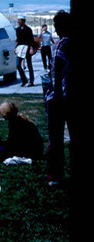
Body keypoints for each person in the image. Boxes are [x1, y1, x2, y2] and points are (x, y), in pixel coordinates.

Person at [44, 10, 77, 187]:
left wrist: (55, 95)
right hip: (71, 98)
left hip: (58, 98)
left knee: (55, 139)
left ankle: (54, 175)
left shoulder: (60, 46)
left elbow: (56, 75)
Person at [15, 16, 36, 86]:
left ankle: (31, 81)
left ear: (23, 21)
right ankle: (24, 80)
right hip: (20, 48)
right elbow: (17, 40)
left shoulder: (28, 29)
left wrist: (31, 48)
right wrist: (15, 47)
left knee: (29, 65)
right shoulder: (17, 30)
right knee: (18, 65)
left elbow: (31, 40)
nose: (18, 21)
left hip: (27, 47)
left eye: (19, 20)